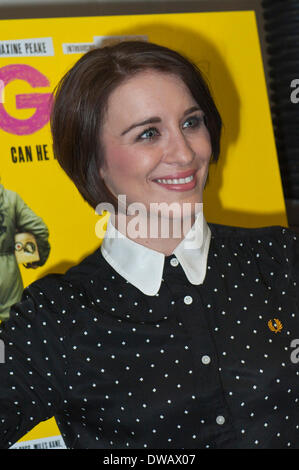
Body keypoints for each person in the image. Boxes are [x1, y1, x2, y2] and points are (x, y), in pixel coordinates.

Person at [0, 40, 298, 450]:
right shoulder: (57, 317)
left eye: (191, 123)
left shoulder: (279, 257)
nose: (185, 152)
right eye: (149, 133)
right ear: (95, 162)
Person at [0, 182, 50, 321]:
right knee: (13, 325)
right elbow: (39, 228)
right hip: (7, 273)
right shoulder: (10, 199)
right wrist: (37, 256)